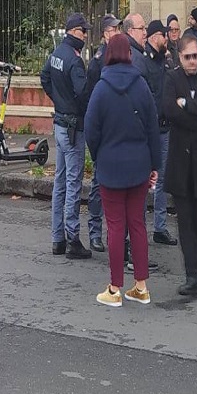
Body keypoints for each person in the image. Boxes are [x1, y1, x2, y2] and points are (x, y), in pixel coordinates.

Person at [85, 34, 161, 307]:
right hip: (139, 165)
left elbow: (91, 130)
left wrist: (98, 157)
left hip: (111, 166)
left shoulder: (101, 89)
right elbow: (153, 128)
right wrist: (154, 166)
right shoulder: (140, 85)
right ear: (129, 54)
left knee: (116, 227)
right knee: (138, 224)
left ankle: (115, 289)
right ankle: (141, 286)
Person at [162, 32, 197, 294]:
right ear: (180, 58)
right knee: (184, 220)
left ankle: (196, 268)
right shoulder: (172, 78)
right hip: (180, 161)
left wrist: (189, 105)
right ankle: (192, 274)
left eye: (196, 56)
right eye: (188, 57)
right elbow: (171, 112)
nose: (193, 61)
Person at [41, 13, 92, 259]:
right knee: (73, 184)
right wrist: (73, 105)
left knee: (60, 183)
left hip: (60, 124)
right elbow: (83, 93)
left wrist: (59, 101)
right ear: (74, 31)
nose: (85, 36)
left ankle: (57, 238)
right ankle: (73, 239)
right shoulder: (73, 60)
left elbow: (45, 78)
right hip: (73, 127)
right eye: (83, 31)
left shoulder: (55, 54)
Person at [132, 18, 174, 245]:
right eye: (163, 35)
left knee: (163, 179)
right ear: (153, 37)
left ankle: (160, 227)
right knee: (144, 181)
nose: (166, 39)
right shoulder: (143, 61)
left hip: (165, 128)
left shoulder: (166, 61)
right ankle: (139, 230)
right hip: (148, 131)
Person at [79, 15, 118, 253]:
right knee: (98, 184)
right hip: (103, 132)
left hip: (118, 130)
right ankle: (94, 231)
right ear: (105, 33)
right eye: (114, 29)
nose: (117, 32)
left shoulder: (121, 58)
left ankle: (115, 233)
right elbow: (90, 101)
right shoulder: (97, 62)